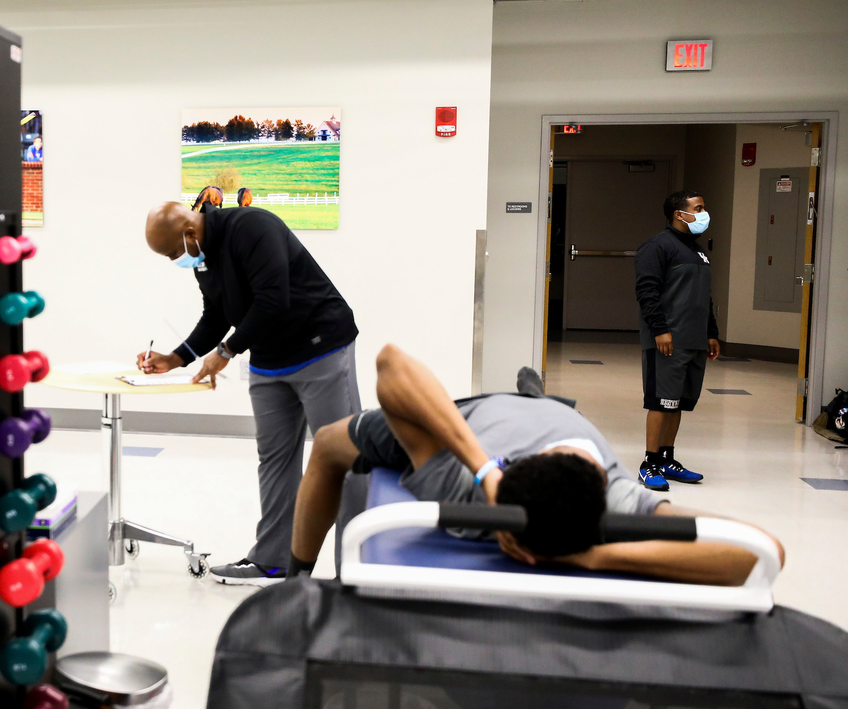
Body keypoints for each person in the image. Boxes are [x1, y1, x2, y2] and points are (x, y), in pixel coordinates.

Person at [289, 344, 783, 585]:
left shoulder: (463, 498)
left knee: (329, 443)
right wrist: (484, 467)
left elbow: (763, 554)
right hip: (467, 431)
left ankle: (535, 395)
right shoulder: (620, 502)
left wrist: (594, 557)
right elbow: (393, 363)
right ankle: (297, 582)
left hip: (479, 438)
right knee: (332, 445)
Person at [139, 201, 360, 585]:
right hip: (270, 359)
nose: (175, 260)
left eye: (173, 252)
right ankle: (273, 562)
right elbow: (216, 314)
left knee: (343, 459)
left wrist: (225, 352)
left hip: (320, 346)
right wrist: (175, 358)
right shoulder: (202, 255)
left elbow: (274, 300)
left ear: (189, 234)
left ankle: (357, 570)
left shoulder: (254, 227)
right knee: (273, 459)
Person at [634, 191, 721, 492]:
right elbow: (647, 291)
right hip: (667, 339)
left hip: (694, 339)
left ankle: (668, 459)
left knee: (678, 403)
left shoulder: (698, 252)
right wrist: (660, 329)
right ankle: (649, 463)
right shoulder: (657, 247)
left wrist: (711, 332)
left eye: (703, 208)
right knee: (661, 401)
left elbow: (704, 297)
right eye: (698, 208)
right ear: (678, 213)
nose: (703, 213)